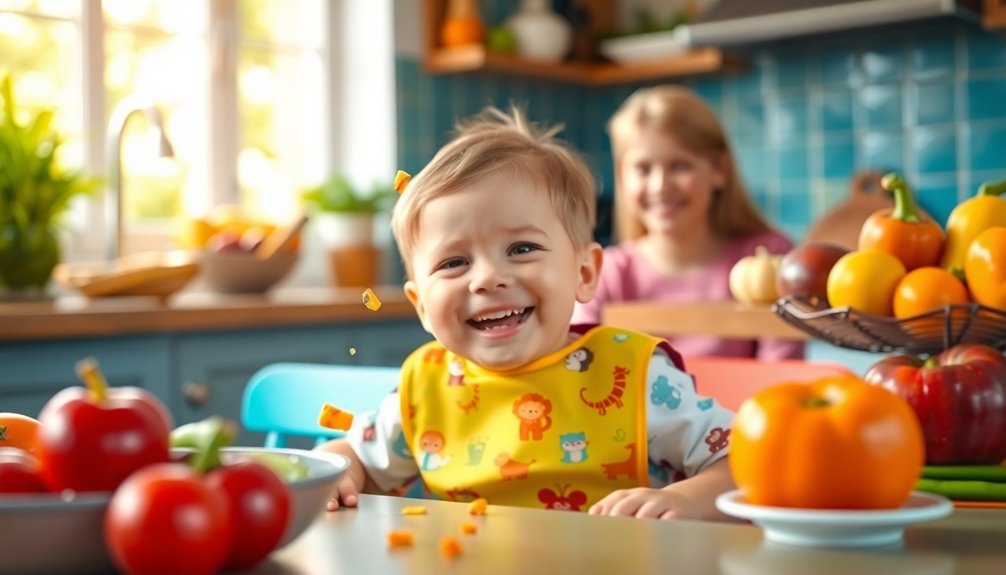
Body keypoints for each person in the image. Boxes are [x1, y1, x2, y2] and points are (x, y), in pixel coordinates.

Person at [316, 106, 736, 522]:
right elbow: (359, 460)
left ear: (584, 272)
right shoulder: (422, 389)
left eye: (521, 249)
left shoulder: (637, 377)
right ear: (421, 305)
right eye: (453, 262)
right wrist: (337, 470)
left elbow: (746, 463)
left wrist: (688, 500)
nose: (488, 278)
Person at [571, 86, 803, 361]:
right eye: (643, 169)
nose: (660, 186)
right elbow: (579, 367)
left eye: (680, 166)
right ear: (622, 176)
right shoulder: (606, 273)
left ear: (720, 170)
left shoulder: (769, 259)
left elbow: (779, 379)